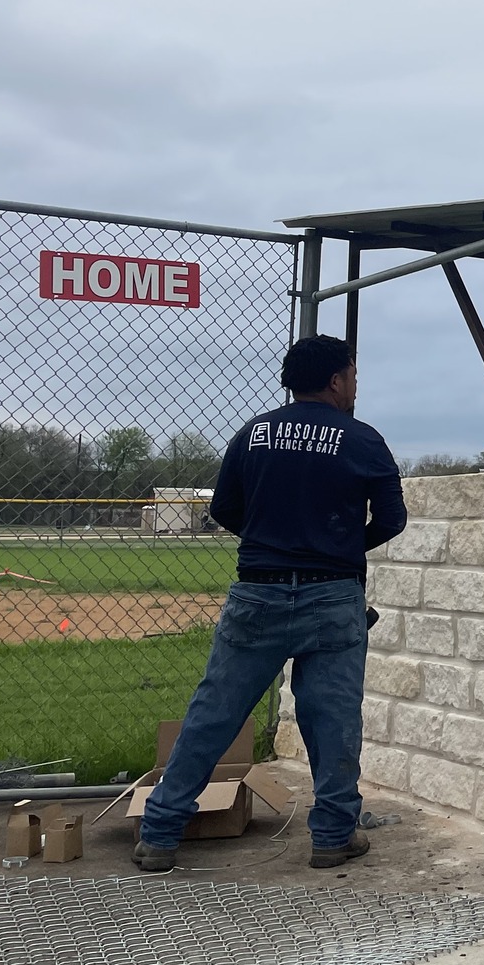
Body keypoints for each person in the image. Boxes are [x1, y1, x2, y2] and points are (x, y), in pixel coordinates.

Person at [135, 335, 406, 871]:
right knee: (332, 719)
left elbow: (224, 509)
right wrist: (340, 548)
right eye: (352, 376)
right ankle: (332, 836)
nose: (355, 386)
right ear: (336, 381)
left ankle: (160, 834)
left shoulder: (252, 435)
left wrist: (269, 541)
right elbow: (393, 520)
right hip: (333, 595)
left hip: (256, 590)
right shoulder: (363, 440)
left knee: (214, 712)